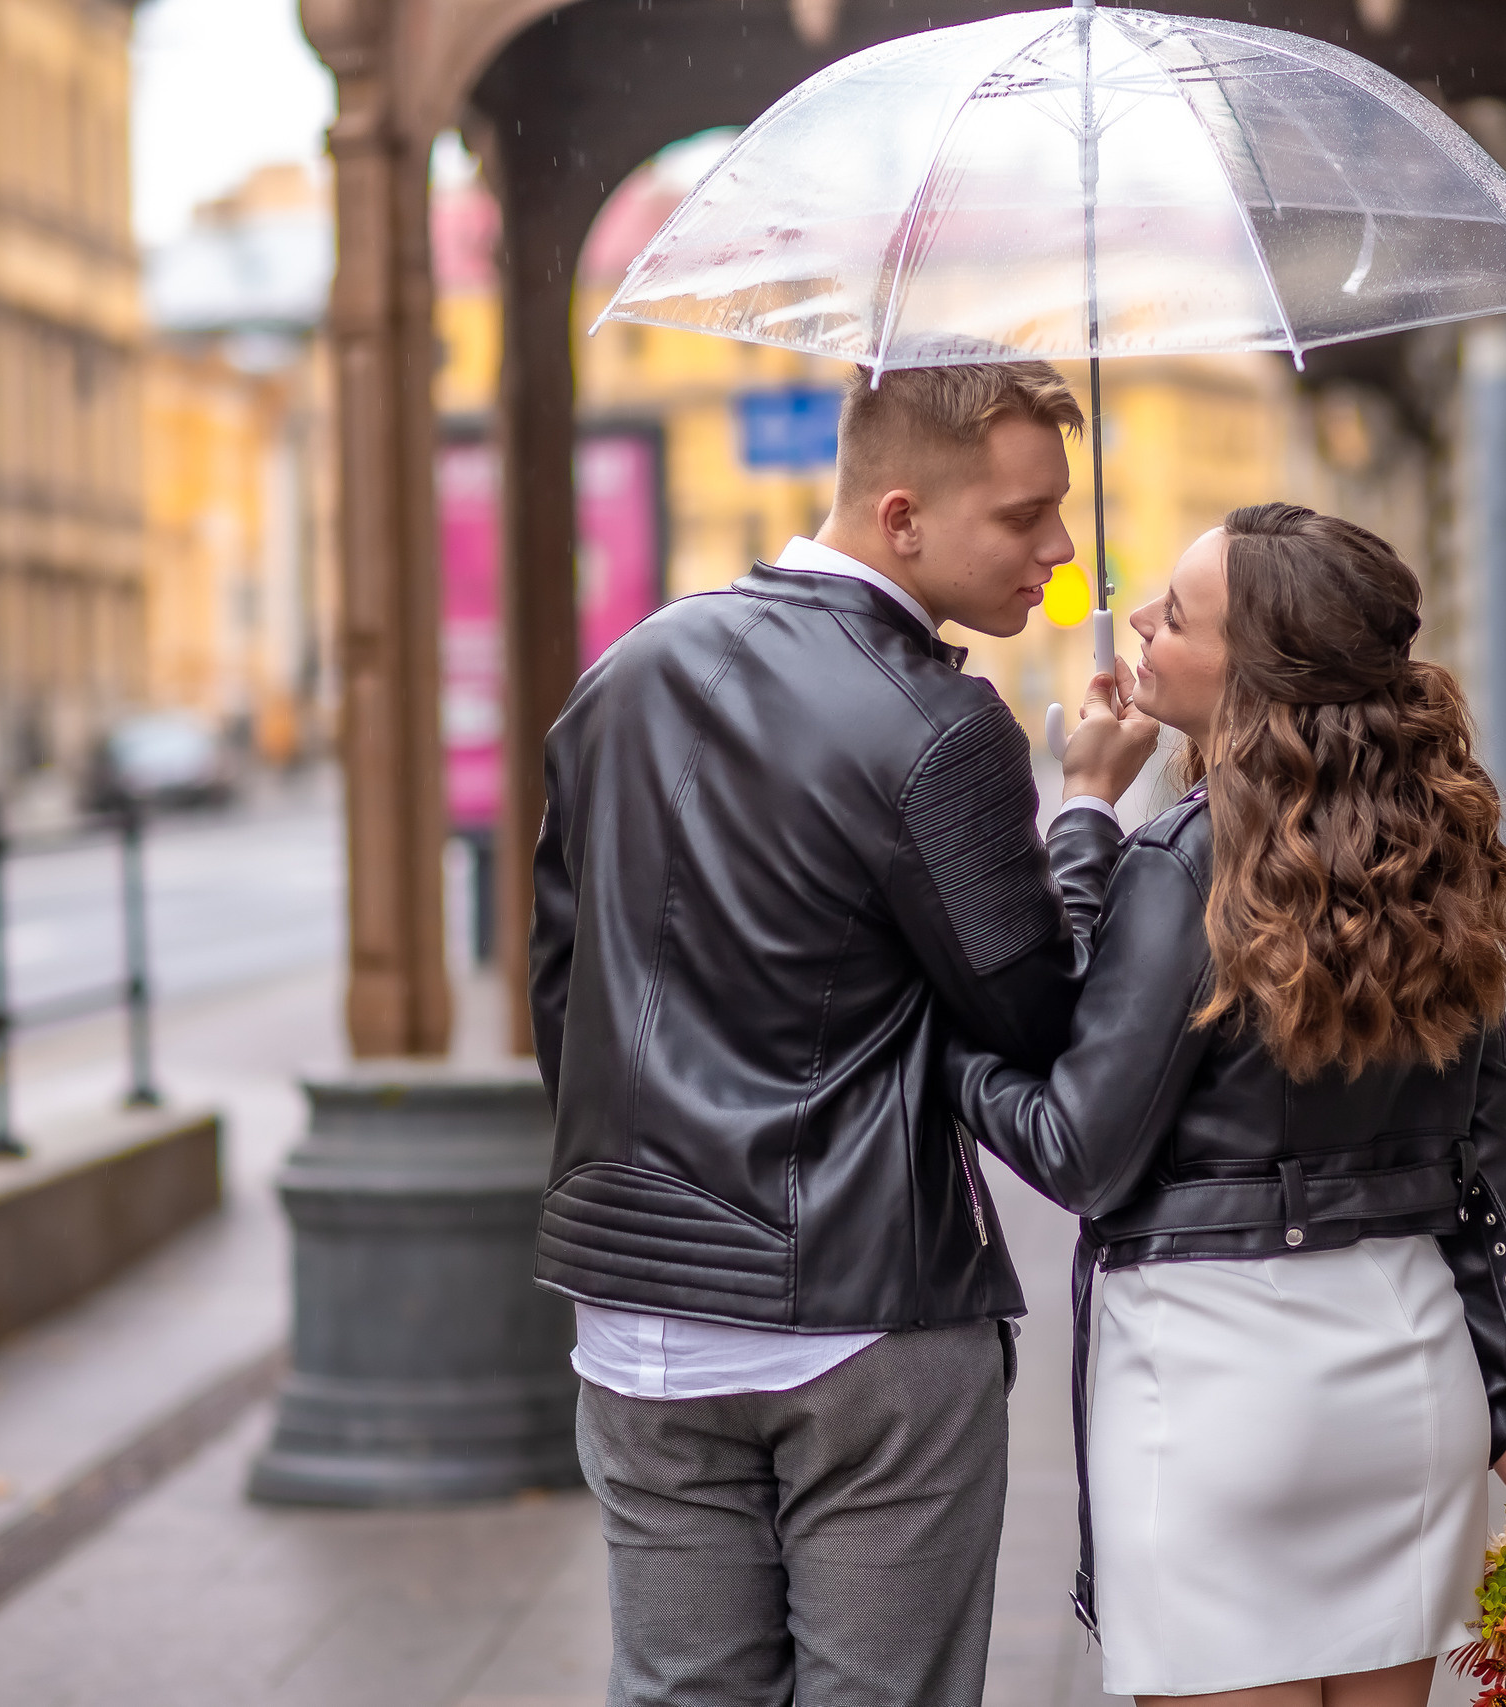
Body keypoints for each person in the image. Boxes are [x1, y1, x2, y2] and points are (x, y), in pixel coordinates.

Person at [529, 360, 1159, 1707]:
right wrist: (1090, 813)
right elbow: (1042, 1018)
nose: (1057, 550)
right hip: (862, 1314)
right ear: (901, 515)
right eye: (1024, 514)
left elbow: (563, 988)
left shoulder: (623, 672)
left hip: (636, 1320)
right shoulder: (941, 722)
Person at [943, 503, 1506, 1707]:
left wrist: (940, 1046)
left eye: (1176, 616)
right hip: (1410, 1372)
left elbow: (1080, 1146)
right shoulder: (1438, 846)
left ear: (1259, 674)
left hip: (1213, 1387)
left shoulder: (1189, 862)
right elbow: (1489, 1151)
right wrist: (1503, 1395)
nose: (1138, 620)